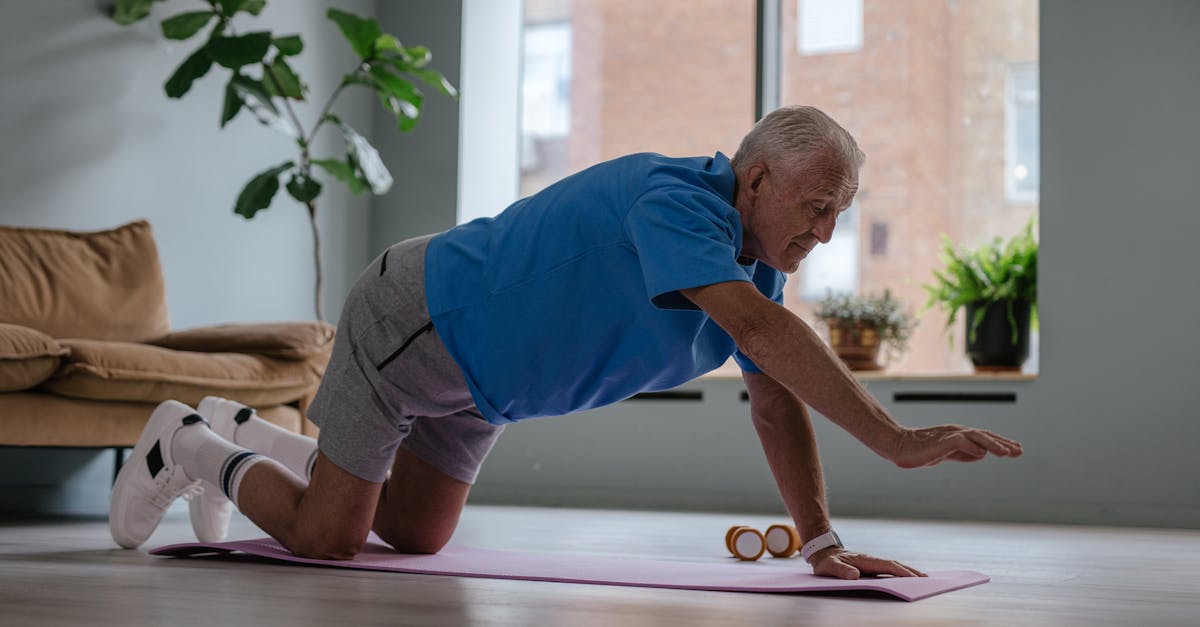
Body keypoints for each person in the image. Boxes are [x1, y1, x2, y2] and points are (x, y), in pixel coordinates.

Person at [110, 105, 1022, 580]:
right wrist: (897, 440)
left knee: (416, 537)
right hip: (418, 320)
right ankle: (187, 443)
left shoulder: (758, 271)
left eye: (841, 215)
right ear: (756, 180)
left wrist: (821, 541)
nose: (825, 232)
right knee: (329, 538)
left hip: (479, 388)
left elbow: (775, 396)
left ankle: (241, 428)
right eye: (816, 207)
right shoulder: (679, 204)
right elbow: (760, 335)